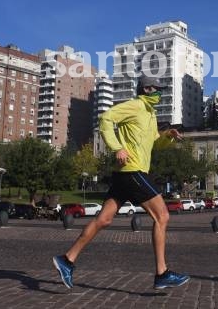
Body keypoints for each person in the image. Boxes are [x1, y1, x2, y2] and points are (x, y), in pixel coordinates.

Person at [52, 76, 188, 291]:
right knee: (162, 216)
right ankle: (162, 273)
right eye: (157, 89)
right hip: (131, 170)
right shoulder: (134, 105)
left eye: (161, 90)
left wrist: (168, 136)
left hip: (128, 174)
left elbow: (154, 144)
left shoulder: (150, 114)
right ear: (147, 89)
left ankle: (67, 260)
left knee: (103, 220)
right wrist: (117, 148)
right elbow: (106, 118)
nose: (160, 93)